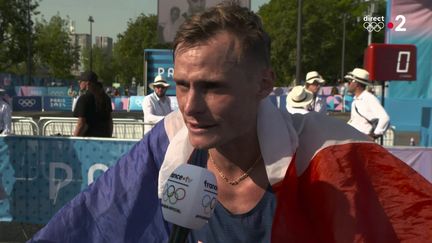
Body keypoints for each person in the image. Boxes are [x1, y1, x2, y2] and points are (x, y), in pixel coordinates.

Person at [31, 2, 432, 242]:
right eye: (183, 85)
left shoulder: (329, 155)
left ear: (264, 84)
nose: (190, 106)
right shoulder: (168, 141)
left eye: (213, 87)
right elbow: (89, 223)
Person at [345, 68, 390, 140]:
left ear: (356, 83)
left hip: (362, 140)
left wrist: (373, 136)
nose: (348, 84)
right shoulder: (356, 100)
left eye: (349, 82)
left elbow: (384, 118)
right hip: (355, 139)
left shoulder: (368, 98)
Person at [73, 71, 113, 137]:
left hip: (89, 140)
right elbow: (110, 121)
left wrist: (74, 141)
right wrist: (109, 137)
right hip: (104, 139)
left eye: (80, 81)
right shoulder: (106, 98)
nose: (79, 83)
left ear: (87, 83)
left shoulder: (84, 99)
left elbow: (81, 124)